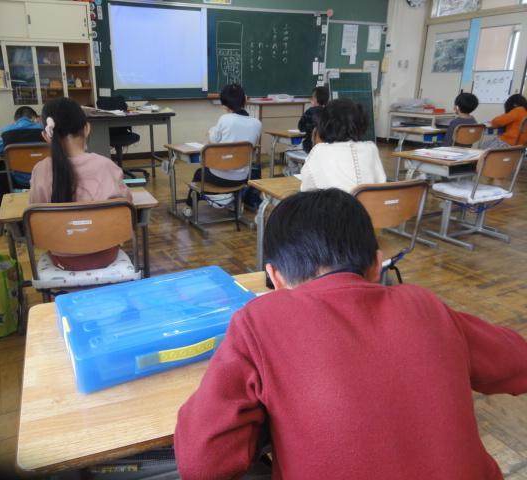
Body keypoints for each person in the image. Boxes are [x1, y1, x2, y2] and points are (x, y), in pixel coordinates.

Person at [174, 189, 527, 480]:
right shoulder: (425, 304)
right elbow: (519, 362)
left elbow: (202, 464)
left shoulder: (257, 321)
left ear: (274, 277)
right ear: (376, 265)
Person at [29, 97, 132, 271]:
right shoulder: (107, 166)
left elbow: (35, 217)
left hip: (62, 259)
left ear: (46, 136)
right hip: (107, 254)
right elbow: (128, 209)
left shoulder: (40, 170)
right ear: (87, 128)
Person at [182, 83, 262, 217]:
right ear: (245, 99)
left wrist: (211, 131)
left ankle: (189, 207)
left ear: (224, 105)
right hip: (243, 178)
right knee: (227, 167)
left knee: (199, 173)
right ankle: (232, 202)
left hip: (220, 177)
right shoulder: (257, 123)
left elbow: (214, 140)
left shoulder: (225, 120)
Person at [299, 98, 386, 193]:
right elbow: (381, 183)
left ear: (325, 124)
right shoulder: (371, 148)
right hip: (370, 202)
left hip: (336, 202)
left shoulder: (319, 151)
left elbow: (306, 189)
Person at [0, 106, 43, 187]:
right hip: (44, 179)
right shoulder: (44, 130)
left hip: (19, 180)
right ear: (34, 118)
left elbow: (0, 152)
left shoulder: (6, 132)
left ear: (15, 120)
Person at [298, 85, 329, 154]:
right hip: (327, 148)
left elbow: (301, 127)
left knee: (290, 149)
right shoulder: (330, 111)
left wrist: (313, 107)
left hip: (311, 147)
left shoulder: (310, 111)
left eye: (312, 97)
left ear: (315, 99)